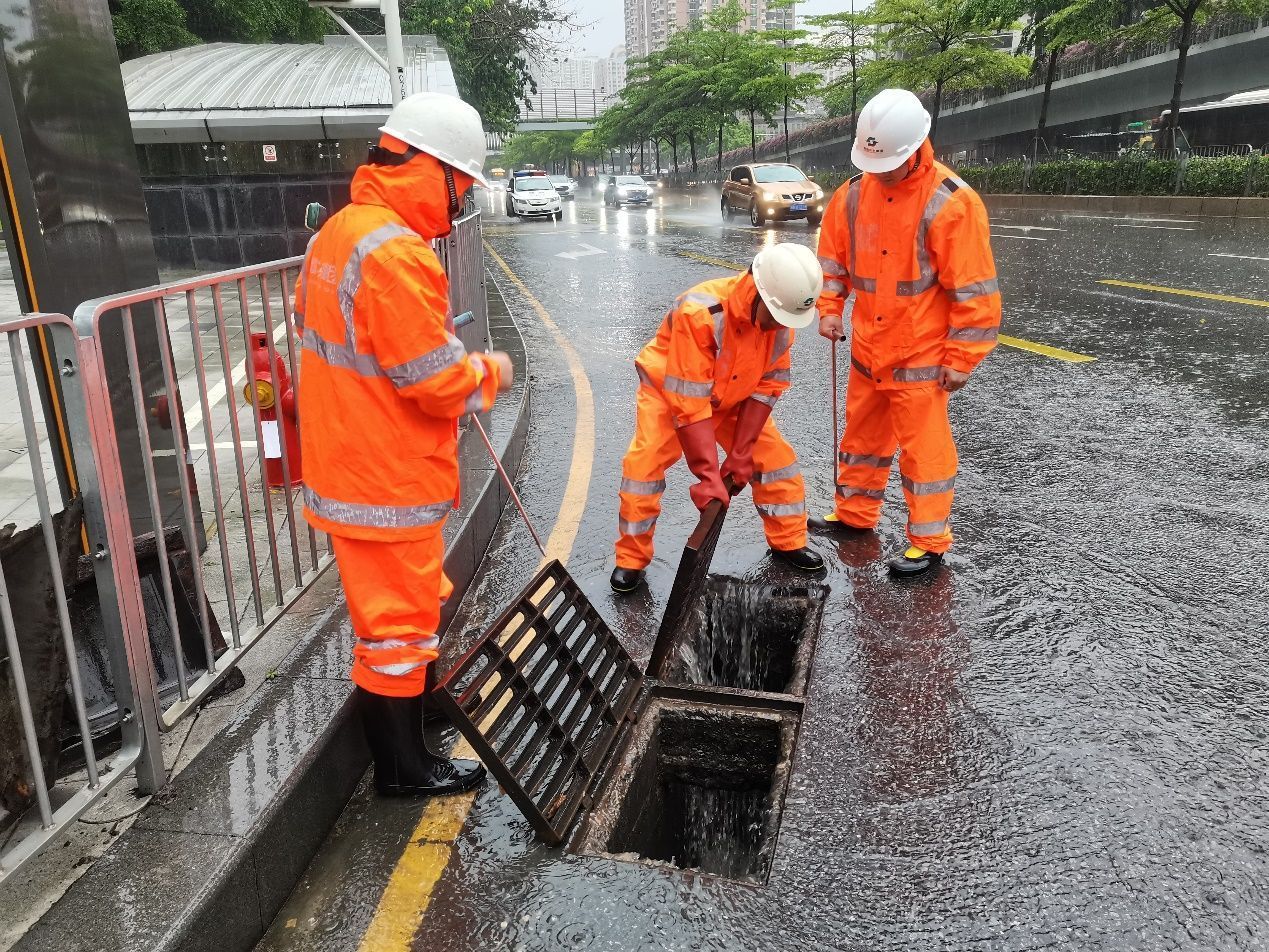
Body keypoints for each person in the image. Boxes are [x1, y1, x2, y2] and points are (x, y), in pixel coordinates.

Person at [293, 92, 513, 796]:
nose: (460, 203)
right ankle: (403, 771)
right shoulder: (397, 253)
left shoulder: (340, 232)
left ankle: (413, 727)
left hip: (350, 462)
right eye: (461, 186)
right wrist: (490, 373)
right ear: (431, 170)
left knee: (406, 615)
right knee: (397, 629)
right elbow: (436, 382)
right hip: (385, 477)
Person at [813, 88, 1001, 578]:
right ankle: (855, 515)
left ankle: (929, 541)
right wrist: (829, 308)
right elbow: (832, 261)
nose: (880, 173)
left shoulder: (952, 202)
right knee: (861, 437)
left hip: (920, 355)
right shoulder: (853, 194)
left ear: (916, 147)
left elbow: (974, 290)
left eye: (889, 165)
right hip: (867, 348)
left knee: (924, 453)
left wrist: (962, 358)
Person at [610, 243, 827, 593]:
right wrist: (708, 476)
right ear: (757, 292)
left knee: (776, 461)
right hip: (671, 392)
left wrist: (741, 453)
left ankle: (789, 540)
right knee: (643, 467)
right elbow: (689, 403)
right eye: (774, 317)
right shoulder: (701, 313)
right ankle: (631, 559)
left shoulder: (782, 319)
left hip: (734, 395)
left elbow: (767, 387)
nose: (778, 326)